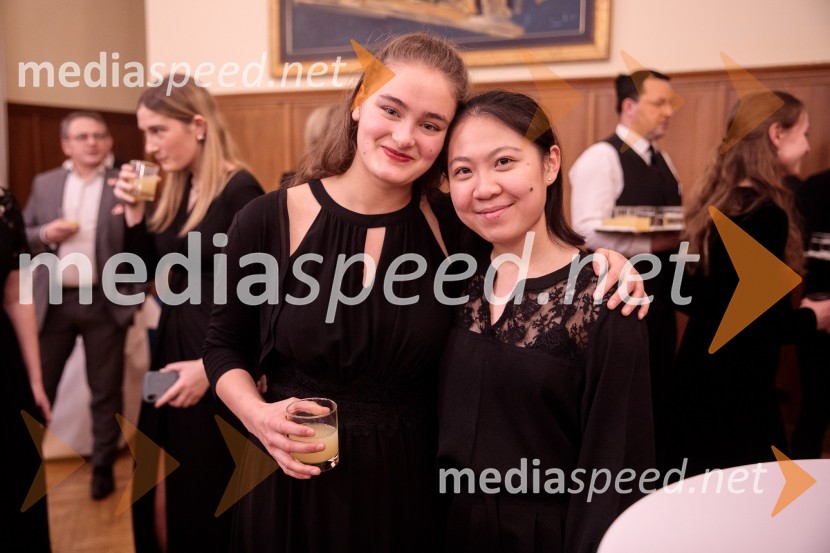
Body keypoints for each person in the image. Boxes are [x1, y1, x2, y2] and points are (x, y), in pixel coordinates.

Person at [203, 33, 646, 553]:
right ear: (357, 106)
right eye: (390, 109)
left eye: (430, 124)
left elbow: (532, 259)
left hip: (411, 494)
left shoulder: (456, 229)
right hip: (290, 480)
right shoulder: (265, 220)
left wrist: (605, 262)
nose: (404, 136)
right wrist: (258, 416)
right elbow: (222, 346)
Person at [437, 90, 653, 553]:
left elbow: (615, 468)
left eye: (504, 162)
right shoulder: (450, 280)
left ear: (550, 164)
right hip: (444, 527)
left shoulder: (603, 296)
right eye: (462, 171)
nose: (483, 188)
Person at [111, 75, 263, 553]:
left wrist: (211, 370)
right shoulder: (180, 187)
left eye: (158, 131)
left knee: (203, 484)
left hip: (212, 352)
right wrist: (135, 215)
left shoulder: (241, 190)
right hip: (171, 339)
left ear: (198, 125)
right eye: (144, 133)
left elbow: (262, 299)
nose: (149, 147)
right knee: (152, 473)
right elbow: (143, 275)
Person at [672, 91, 830, 476]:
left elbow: (686, 296)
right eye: (804, 133)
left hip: (695, 375)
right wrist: (812, 318)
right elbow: (757, 328)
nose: (809, 147)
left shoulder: (711, 201)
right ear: (777, 134)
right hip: (738, 391)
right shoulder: (766, 213)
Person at [22, 111, 142, 499]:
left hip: (104, 302)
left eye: (98, 135)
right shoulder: (45, 184)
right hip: (53, 303)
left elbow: (144, 238)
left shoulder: (125, 183)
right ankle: (26, 466)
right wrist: (44, 232)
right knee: (38, 388)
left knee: (104, 390)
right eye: (82, 136)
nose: (91, 142)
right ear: (66, 145)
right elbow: (20, 235)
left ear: (108, 143)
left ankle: (103, 467)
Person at [569, 69, 681, 464]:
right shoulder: (602, 157)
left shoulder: (663, 159)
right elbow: (585, 231)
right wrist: (656, 242)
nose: (669, 111)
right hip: (620, 299)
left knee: (660, 396)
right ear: (629, 106)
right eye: (659, 103)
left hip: (663, 298)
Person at [1, 186, 53, 552]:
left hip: (3, 368)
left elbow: (18, 296)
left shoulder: (5, 206)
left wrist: (35, 382)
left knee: (15, 478)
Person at [792, 166, 830, 458]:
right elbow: (793, 256)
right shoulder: (813, 188)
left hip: (815, 315)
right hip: (818, 318)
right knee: (813, 412)